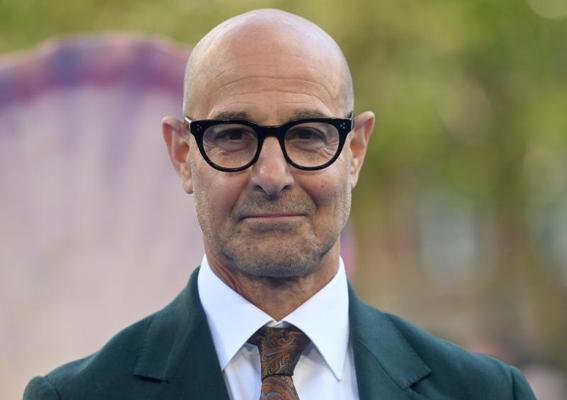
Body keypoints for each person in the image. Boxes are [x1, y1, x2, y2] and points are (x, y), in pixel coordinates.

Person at [24, 9, 536, 400]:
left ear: (355, 151)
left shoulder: (486, 393)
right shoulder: (75, 396)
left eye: (308, 134)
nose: (272, 176)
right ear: (182, 155)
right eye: (232, 135)